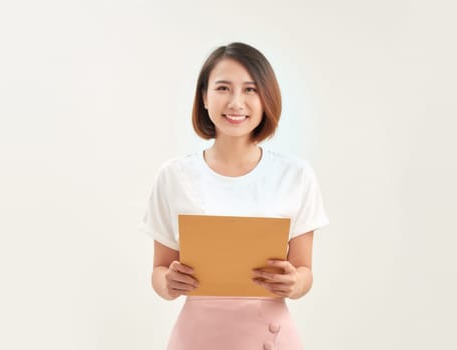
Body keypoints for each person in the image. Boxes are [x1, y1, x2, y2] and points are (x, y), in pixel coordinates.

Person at [140, 42, 329, 350]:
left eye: (251, 90)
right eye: (223, 88)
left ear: (266, 97)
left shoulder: (295, 175)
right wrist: (168, 283)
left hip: (270, 338)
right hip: (196, 338)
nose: (236, 102)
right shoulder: (175, 176)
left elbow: (304, 272)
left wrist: (294, 283)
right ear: (204, 97)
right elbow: (159, 272)